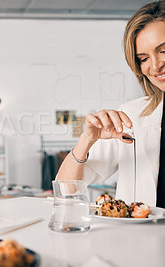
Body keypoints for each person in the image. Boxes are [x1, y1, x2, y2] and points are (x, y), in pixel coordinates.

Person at [56, 1, 165, 208]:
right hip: (142, 239)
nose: (155, 65)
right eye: (143, 58)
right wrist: (87, 139)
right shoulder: (131, 116)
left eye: (164, 50)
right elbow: (66, 189)